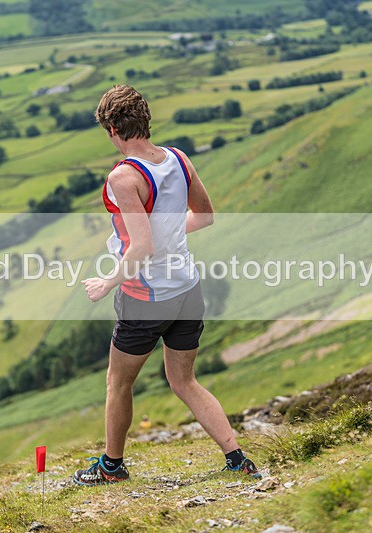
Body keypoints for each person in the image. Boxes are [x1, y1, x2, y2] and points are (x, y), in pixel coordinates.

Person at [73, 85, 261, 486]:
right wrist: (170, 239)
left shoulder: (124, 177)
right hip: (188, 289)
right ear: (145, 118)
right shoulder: (178, 158)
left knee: (118, 382)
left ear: (111, 129)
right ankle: (237, 458)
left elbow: (140, 248)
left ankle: (111, 467)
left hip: (146, 298)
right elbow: (205, 216)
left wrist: (106, 282)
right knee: (184, 381)